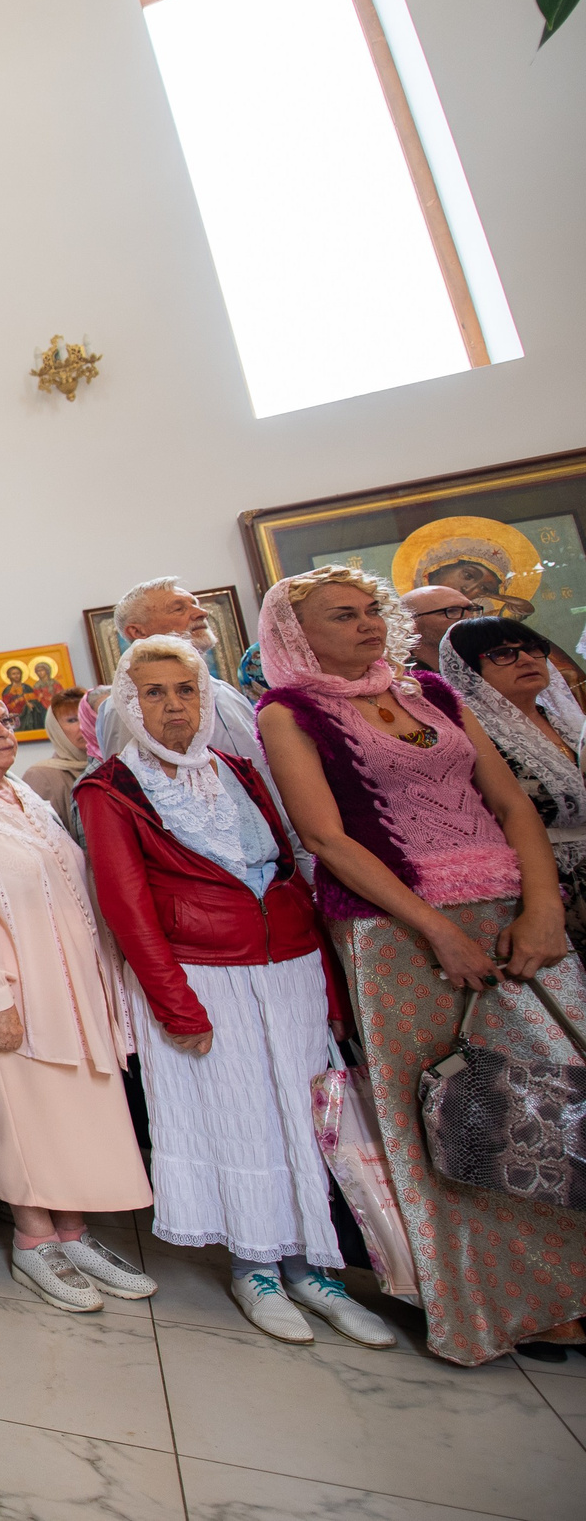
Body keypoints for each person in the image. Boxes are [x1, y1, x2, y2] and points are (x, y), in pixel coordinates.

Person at [255, 568, 586, 1364]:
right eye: (345, 615)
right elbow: (328, 839)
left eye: (374, 610)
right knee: (468, 1111)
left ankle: (574, 1279)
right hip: (399, 930)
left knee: (563, 1090)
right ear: (299, 634)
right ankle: (511, 1301)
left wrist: (542, 906)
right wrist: (437, 930)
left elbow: (510, 805)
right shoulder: (289, 709)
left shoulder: (427, 687)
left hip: (509, 908)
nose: (369, 624)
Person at [75, 639, 394, 1349]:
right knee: (242, 1115)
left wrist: (331, 988)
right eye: (152, 692)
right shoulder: (109, 789)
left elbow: (289, 871)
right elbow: (127, 909)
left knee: (306, 1116)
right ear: (129, 705)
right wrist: (175, 1003)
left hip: (290, 964)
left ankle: (318, 1269)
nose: (172, 705)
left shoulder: (240, 768)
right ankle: (258, 1269)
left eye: (185, 688)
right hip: (203, 972)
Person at [0, 688, 155, 1313]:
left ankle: (73, 1234)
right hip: (4, 991)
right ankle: (33, 1238)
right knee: (18, 1115)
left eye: (6, 722)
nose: (3, 733)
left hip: (66, 983)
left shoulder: (23, 796)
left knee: (66, 1114)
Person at [442, 617, 586, 947]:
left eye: (533, 649)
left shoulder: (571, 725)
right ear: (466, 671)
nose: (526, 659)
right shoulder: (470, 739)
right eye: (502, 653)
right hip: (540, 888)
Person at [95, 580, 273, 796]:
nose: (202, 613)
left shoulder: (225, 692)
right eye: (179, 608)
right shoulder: (125, 705)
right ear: (138, 631)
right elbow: (134, 794)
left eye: (196, 604)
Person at [22, 686, 91, 840]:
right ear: (55, 728)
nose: (83, 726)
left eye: (88, 717)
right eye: (72, 720)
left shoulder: (113, 766)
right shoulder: (40, 776)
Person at [400, 586, 481, 672]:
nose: (470, 617)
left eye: (471, 609)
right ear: (410, 625)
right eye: (452, 611)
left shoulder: (487, 667)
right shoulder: (396, 679)